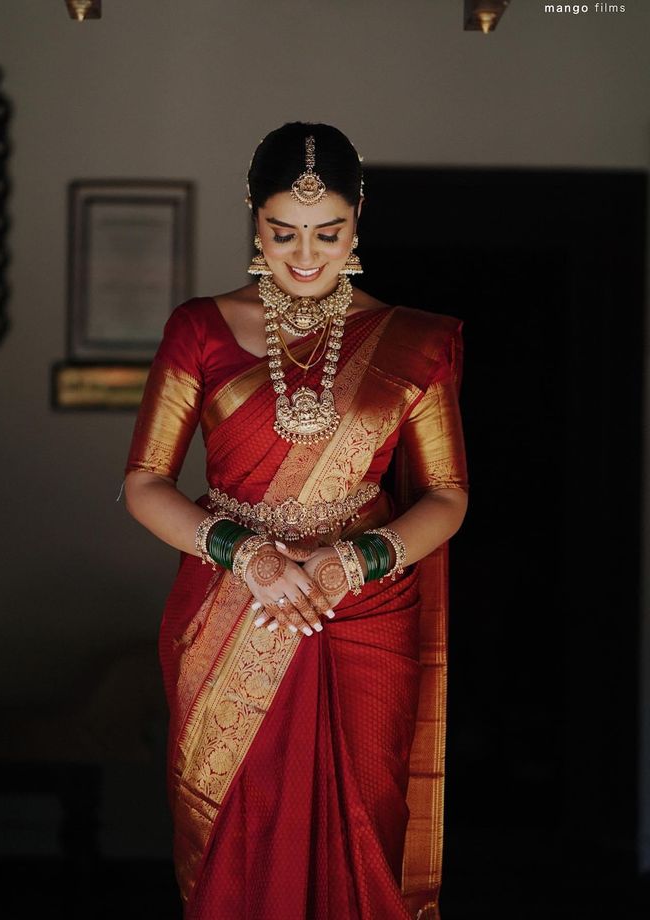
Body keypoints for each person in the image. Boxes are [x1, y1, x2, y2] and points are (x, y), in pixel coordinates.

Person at [120, 121, 469, 920]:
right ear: (252, 217)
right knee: (241, 843)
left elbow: (448, 496)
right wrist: (249, 558)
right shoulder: (199, 330)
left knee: (366, 833)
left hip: (366, 616)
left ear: (358, 219)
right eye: (283, 234)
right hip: (229, 608)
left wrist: (355, 561)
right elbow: (144, 483)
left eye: (328, 232)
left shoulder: (414, 342)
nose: (306, 256)